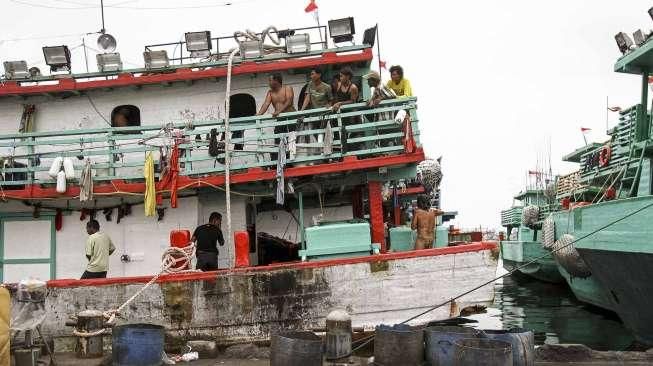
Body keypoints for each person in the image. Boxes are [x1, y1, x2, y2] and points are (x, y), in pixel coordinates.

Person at [257, 73, 296, 162]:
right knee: (278, 141)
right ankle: (278, 162)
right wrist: (258, 115)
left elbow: (289, 101)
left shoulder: (287, 88)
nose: (269, 83)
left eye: (270, 80)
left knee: (291, 140)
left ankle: (291, 161)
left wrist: (279, 111)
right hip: (280, 120)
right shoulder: (270, 92)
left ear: (276, 81)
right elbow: (266, 104)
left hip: (291, 117)